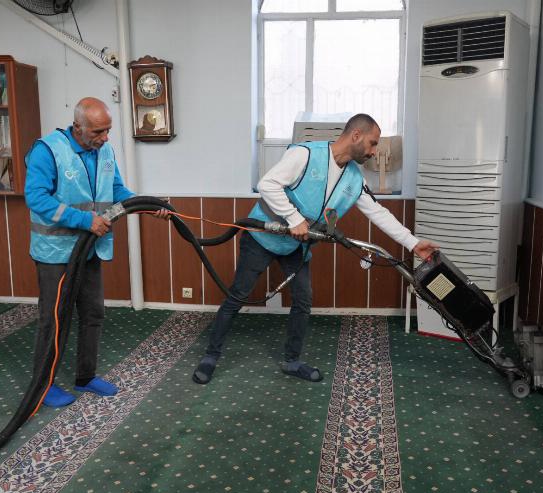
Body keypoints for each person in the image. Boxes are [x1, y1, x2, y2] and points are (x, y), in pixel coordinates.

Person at [192, 113, 440, 385]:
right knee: (237, 295)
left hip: (296, 245)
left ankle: (292, 361)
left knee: (303, 300)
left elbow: (378, 213)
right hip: (262, 236)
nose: (373, 151)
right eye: (372, 143)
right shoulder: (305, 154)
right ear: (356, 135)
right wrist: (294, 218)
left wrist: (413, 243)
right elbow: (267, 184)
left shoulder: (355, 179)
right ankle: (211, 356)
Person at [25, 97, 166, 407]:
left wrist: (148, 205)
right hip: (56, 253)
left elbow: (116, 191)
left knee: (93, 314)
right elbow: (36, 198)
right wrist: (84, 220)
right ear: (78, 127)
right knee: (55, 319)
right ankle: (42, 387)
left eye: (108, 130)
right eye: (98, 132)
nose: (105, 138)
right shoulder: (47, 151)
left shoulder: (105, 151)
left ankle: (85, 376)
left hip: (89, 250)